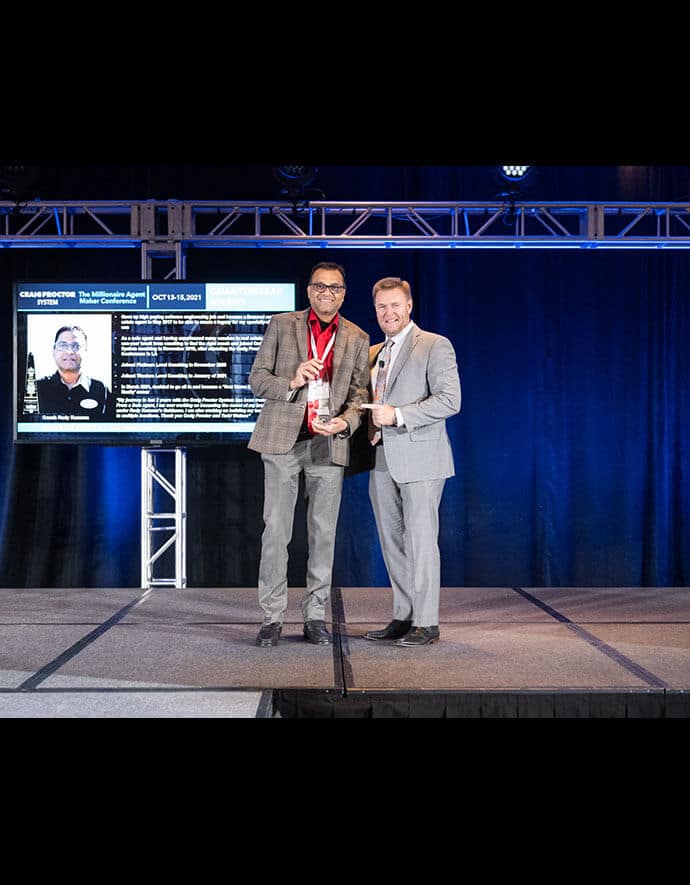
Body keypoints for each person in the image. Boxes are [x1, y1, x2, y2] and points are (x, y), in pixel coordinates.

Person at [248, 262, 370, 647]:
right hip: (283, 440)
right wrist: (292, 380)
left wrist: (346, 423)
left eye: (334, 288)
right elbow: (256, 379)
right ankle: (272, 617)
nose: (326, 293)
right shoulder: (282, 325)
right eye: (320, 286)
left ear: (344, 293)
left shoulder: (356, 336)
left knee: (323, 535)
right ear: (309, 291)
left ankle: (315, 616)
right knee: (277, 533)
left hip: (327, 442)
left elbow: (359, 396)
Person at [363, 276, 461, 647]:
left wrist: (398, 415)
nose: (388, 313)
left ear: (409, 307)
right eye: (381, 307)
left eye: (394, 305)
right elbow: (372, 405)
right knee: (392, 542)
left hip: (421, 456)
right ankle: (404, 616)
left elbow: (450, 401)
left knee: (420, 541)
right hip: (382, 456)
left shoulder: (434, 345)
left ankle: (427, 622)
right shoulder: (375, 352)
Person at [36, 325, 114, 417]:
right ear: (53, 351)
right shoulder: (37, 389)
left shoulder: (101, 390)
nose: (69, 352)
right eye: (63, 345)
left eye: (76, 346)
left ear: (85, 351)